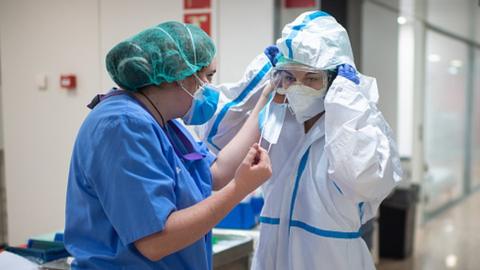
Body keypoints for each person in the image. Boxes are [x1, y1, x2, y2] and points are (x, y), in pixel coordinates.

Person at [194, 11, 402, 270]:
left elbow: (364, 181)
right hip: (272, 255)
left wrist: (346, 106)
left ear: (335, 79)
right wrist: (261, 81)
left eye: (311, 78)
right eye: (290, 76)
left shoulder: (357, 123)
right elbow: (216, 136)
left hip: (332, 260)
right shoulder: (278, 114)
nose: (298, 87)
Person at [64, 21, 272, 270]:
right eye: (206, 76)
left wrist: (267, 101)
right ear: (177, 76)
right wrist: (240, 188)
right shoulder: (122, 125)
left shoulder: (162, 121)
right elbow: (155, 242)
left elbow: (215, 173)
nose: (209, 88)